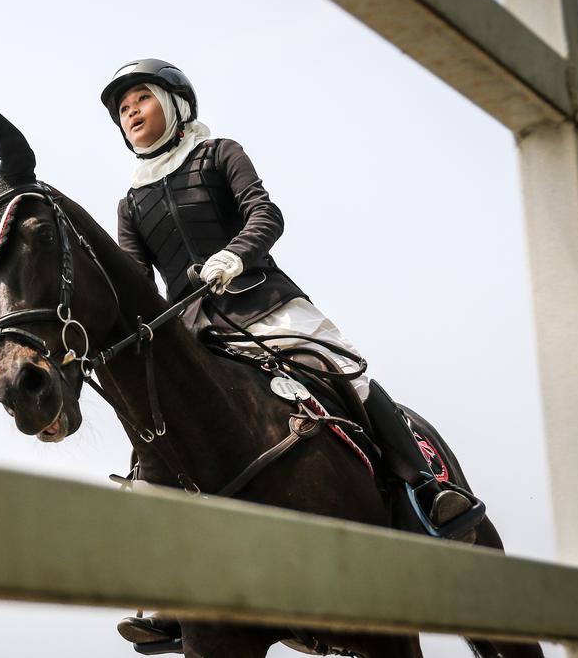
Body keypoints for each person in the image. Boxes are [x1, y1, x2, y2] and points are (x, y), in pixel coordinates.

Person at [100, 59, 482, 645]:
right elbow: (136, 276)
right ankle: (167, 591)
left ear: (174, 105)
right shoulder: (130, 201)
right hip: (196, 331)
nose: (130, 113)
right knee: (153, 435)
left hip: (264, 301)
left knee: (344, 373)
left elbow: (265, 213)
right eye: (122, 109)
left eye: (140, 99)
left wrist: (236, 254)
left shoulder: (220, 153)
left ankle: (427, 487)